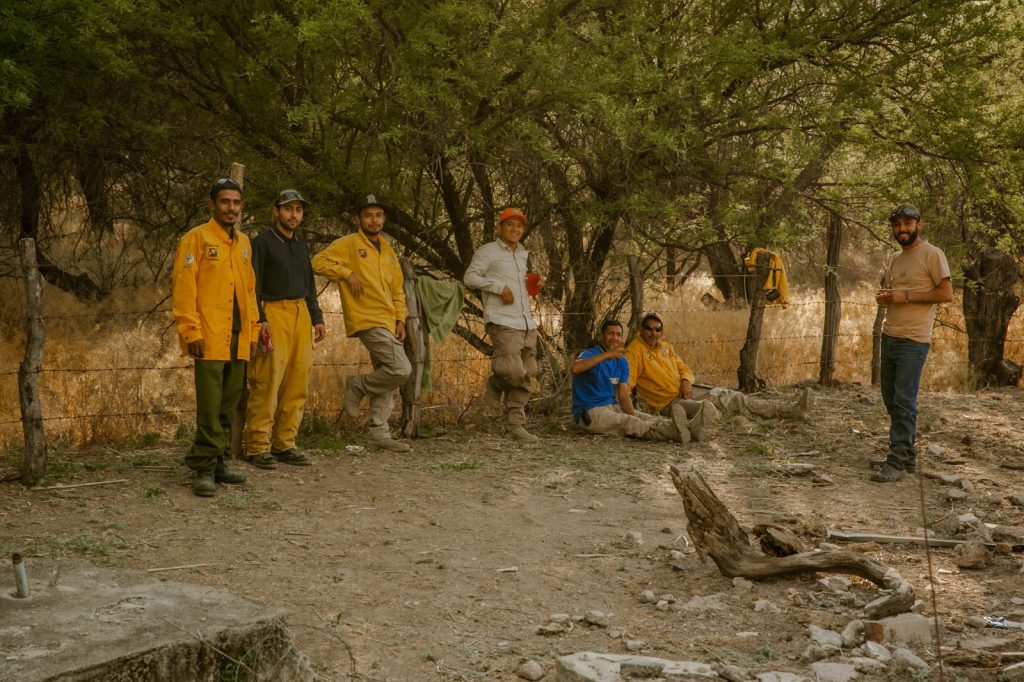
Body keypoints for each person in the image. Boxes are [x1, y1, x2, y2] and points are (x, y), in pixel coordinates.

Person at [171, 178, 259, 497]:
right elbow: (184, 289)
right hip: (209, 336)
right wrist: (191, 330)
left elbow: (249, 291)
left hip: (238, 337)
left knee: (227, 402)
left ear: (241, 207)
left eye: (236, 203)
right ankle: (204, 467)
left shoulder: (245, 243)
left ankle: (219, 461)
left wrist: (254, 330)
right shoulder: (196, 239)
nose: (231, 208)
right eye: (225, 202)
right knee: (209, 406)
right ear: (212, 205)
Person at [311, 194, 412, 452]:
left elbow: (398, 289)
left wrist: (401, 318)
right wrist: (346, 273)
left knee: (388, 374)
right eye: (368, 215)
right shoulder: (348, 243)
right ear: (359, 219)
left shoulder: (389, 251)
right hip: (367, 318)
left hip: (389, 320)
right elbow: (318, 262)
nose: (374, 220)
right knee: (401, 369)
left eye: (378, 215)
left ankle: (378, 432)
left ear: (384, 219)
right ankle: (357, 385)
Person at [624, 312, 810, 440]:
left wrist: (686, 381)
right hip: (669, 403)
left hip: (688, 390)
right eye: (648, 328)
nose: (653, 333)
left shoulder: (665, 346)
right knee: (709, 408)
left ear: (662, 331)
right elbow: (626, 385)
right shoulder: (634, 351)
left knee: (731, 396)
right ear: (640, 329)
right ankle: (726, 423)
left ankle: (787, 411)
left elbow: (683, 367)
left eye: (657, 329)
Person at [242, 189, 327, 470]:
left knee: (297, 381)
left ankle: (285, 443)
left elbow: (310, 284)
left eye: (298, 210)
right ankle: (256, 446)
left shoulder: (301, 243)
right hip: (273, 313)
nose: (294, 215)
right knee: (267, 380)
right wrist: (260, 319)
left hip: (300, 312)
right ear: (276, 211)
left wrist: (317, 317)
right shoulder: (261, 244)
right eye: (288, 209)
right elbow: (251, 287)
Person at [871, 203, 952, 483]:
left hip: (913, 340)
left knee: (904, 400)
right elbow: (899, 292)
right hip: (890, 335)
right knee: (890, 399)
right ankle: (906, 454)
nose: (902, 229)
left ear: (920, 223)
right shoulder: (896, 257)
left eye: (908, 223)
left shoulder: (932, 254)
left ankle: (896, 460)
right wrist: (887, 298)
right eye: (897, 224)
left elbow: (945, 293)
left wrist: (903, 297)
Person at [464, 207, 542, 443]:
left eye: (519, 225)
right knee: (513, 371)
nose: (515, 229)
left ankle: (515, 426)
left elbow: (523, 287)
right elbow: (470, 277)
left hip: (526, 322)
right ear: (499, 227)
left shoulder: (522, 254)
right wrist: (499, 288)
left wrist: (534, 284)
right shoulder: (488, 251)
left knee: (529, 373)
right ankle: (496, 382)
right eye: (510, 224)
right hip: (502, 320)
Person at [571, 319, 690, 443]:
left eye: (618, 334)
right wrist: (606, 355)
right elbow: (575, 368)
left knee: (645, 417)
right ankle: (671, 433)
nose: (614, 338)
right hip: (589, 411)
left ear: (622, 338)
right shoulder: (590, 354)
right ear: (601, 336)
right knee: (628, 422)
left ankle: (691, 429)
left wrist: (634, 415)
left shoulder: (622, 361)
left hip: (612, 406)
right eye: (610, 334)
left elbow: (623, 394)